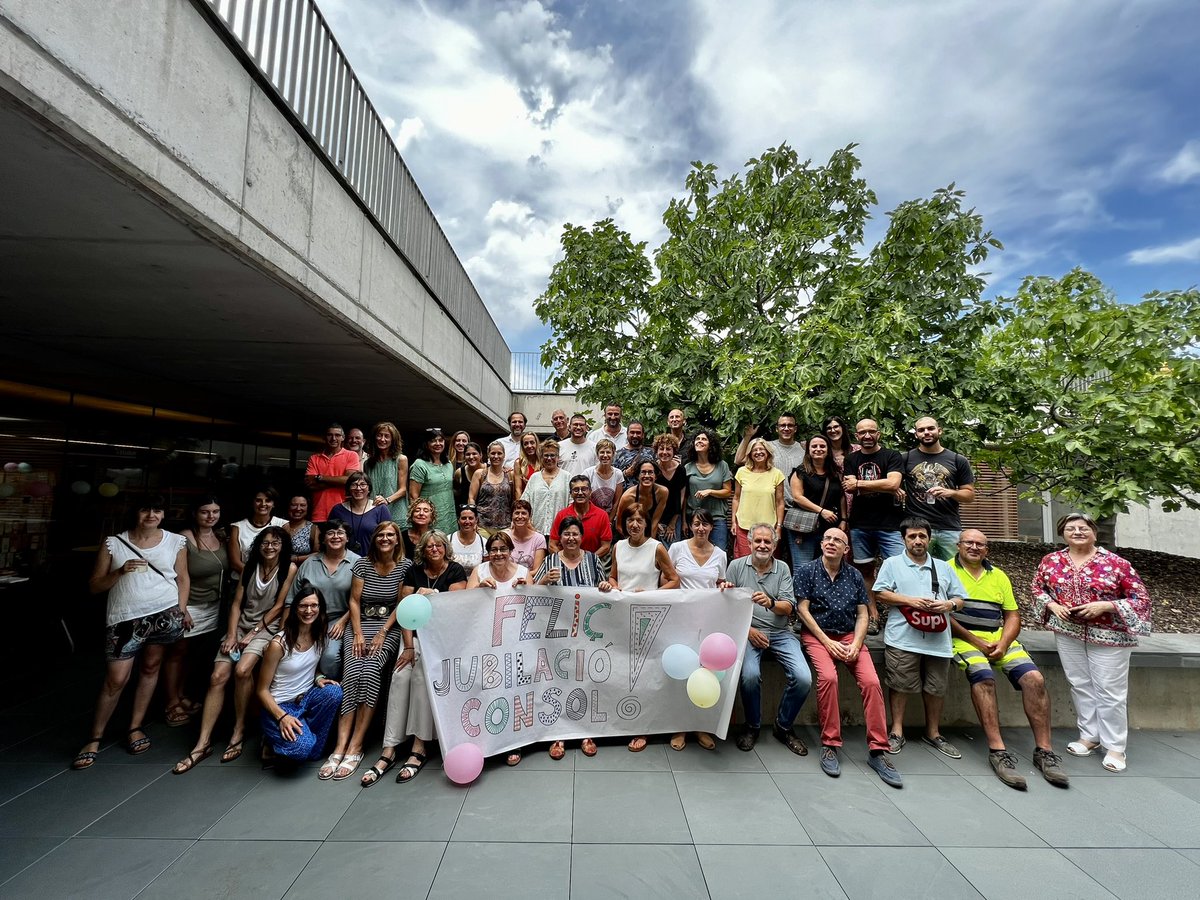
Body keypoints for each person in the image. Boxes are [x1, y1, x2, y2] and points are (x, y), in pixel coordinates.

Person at [73, 497, 189, 770]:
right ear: (135, 513)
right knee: (116, 678)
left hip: (163, 612)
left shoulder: (175, 542)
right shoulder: (113, 543)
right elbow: (95, 585)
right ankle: (95, 737)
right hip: (125, 618)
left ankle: (135, 727)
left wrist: (180, 609)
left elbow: (182, 577)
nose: (152, 514)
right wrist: (119, 571)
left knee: (151, 668)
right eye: (146, 509)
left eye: (157, 510)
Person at [1032, 513, 1151, 773]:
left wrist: (1106, 605)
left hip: (1110, 636)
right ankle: (1090, 736)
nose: (1077, 532)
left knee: (1110, 691)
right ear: (1062, 533)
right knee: (1080, 684)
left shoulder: (1116, 563)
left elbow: (1140, 599)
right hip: (1068, 632)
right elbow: (1037, 589)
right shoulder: (1051, 561)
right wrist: (1052, 605)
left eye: (1083, 528)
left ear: (1094, 533)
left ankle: (1115, 747)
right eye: (1071, 528)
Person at [950, 529, 1069, 789]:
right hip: (963, 640)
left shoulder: (998, 575)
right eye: (968, 542)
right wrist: (977, 641)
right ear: (958, 546)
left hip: (1000, 639)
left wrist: (1003, 643)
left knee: (1034, 678)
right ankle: (997, 751)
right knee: (983, 677)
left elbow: (1012, 615)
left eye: (980, 544)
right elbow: (945, 616)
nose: (974, 547)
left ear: (986, 550)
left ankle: (1045, 752)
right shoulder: (946, 570)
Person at [174, 526, 296, 773]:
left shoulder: (288, 569)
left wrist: (253, 633)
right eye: (265, 543)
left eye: (275, 543)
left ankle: (238, 730)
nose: (270, 547)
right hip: (240, 627)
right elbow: (237, 604)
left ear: (283, 547)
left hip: (266, 629)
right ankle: (203, 742)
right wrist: (231, 634)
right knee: (217, 676)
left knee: (242, 670)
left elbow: (280, 606)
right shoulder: (249, 567)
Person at [794, 528, 902, 787]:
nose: (832, 543)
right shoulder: (806, 571)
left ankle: (878, 750)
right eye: (828, 539)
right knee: (828, 678)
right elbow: (802, 610)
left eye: (838, 541)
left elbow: (863, 614)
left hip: (848, 637)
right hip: (818, 636)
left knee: (872, 683)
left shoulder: (854, 575)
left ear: (846, 549)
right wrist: (826, 641)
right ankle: (830, 744)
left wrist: (856, 642)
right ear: (821, 544)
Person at [360, 530, 467, 786]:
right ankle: (389, 748)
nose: (433, 549)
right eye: (429, 546)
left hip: (442, 642)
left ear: (445, 548)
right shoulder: (413, 572)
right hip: (415, 638)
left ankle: (419, 746)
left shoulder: (456, 572)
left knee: (421, 677)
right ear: (422, 550)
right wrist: (408, 647)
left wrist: (435, 598)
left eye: (438, 545)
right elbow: (404, 611)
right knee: (400, 675)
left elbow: (456, 611)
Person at [323, 521, 411, 781]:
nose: (385, 539)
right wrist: (358, 632)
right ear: (374, 539)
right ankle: (340, 746)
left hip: (389, 627)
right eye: (380, 535)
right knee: (352, 673)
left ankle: (356, 745)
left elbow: (401, 603)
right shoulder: (361, 564)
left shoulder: (405, 566)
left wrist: (383, 632)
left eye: (390, 536)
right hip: (361, 624)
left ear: (397, 540)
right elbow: (354, 600)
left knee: (371, 672)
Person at [874, 517, 965, 760]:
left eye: (922, 536)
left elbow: (960, 599)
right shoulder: (892, 564)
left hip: (938, 638)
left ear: (929, 538)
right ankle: (896, 731)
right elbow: (880, 593)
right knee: (899, 683)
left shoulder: (944, 567)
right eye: (912, 536)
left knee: (936, 687)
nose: (917, 541)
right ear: (903, 539)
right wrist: (909, 600)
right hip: (902, 636)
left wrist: (948, 605)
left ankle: (933, 732)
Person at [727, 524, 812, 756]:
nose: (762, 545)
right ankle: (752, 726)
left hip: (780, 633)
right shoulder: (735, 566)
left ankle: (783, 726)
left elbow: (788, 608)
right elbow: (727, 608)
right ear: (750, 543)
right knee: (750, 676)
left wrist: (771, 603)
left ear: (774, 546)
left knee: (803, 677)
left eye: (767, 542)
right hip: (748, 631)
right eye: (758, 541)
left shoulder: (782, 568)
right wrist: (748, 631)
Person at [536, 517, 612, 759]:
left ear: (582, 537)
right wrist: (544, 581)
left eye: (575, 534)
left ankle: (586, 732)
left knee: (585, 680)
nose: (571, 538)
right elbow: (532, 593)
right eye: (566, 534)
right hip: (556, 635)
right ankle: (558, 733)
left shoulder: (593, 559)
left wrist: (605, 587)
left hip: (586, 634)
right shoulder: (549, 561)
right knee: (559, 681)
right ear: (560, 538)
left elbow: (604, 585)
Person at [606, 504, 680, 753]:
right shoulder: (618, 547)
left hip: (649, 618)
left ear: (646, 524)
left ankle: (644, 726)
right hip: (621, 617)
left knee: (644, 674)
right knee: (622, 671)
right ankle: (622, 722)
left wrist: (652, 594)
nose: (634, 524)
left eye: (639, 520)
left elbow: (674, 580)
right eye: (630, 520)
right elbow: (614, 576)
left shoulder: (656, 548)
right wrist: (614, 586)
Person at [257, 585, 343, 767]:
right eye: (303, 606)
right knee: (303, 749)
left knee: (334, 693)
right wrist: (283, 717)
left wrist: (319, 678)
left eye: (314, 605)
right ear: (295, 608)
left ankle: (300, 737)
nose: (309, 611)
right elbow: (261, 691)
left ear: (320, 608)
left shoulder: (319, 634)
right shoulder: (278, 644)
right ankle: (274, 739)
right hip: (280, 707)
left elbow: (308, 666)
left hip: (306, 698)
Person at [161, 496, 226, 728]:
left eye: (215, 511)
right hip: (191, 605)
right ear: (195, 514)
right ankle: (171, 702)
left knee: (193, 654)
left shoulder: (221, 536)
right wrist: (182, 609)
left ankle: (181, 694)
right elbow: (179, 575)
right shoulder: (184, 538)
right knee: (177, 653)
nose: (211, 516)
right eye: (205, 512)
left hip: (213, 605)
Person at [666, 509, 726, 751]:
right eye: (696, 524)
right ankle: (679, 727)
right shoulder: (677, 549)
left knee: (705, 674)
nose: (701, 528)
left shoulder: (721, 555)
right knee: (681, 674)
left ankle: (700, 726)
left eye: (706, 524)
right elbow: (666, 579)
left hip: (708, 623)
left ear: (712, 528)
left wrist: (725, 586)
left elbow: (721, 583)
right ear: (690, 526)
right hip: (679, 621)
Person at [843, 419, 906, 634]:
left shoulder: (892, 455)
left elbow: (893, 483)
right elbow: (849, 489)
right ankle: (873, 615)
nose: (867, 436)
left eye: (871, 432)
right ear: (856, 435)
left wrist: (862, 484)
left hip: (890, 524)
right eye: (862, 433)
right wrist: (884, 485)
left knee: (901, 568)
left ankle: (903, 616)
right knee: (865, 571)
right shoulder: (852, 459)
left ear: (878, 433)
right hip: (860, 524)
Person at [287, 519, 360, 679]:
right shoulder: (309, 562)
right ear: (323, 538)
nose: (335, 536)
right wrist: (283, 631)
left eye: (340, 533)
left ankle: (330, 693)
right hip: (307, 618)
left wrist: (342, 621)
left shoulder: (358, 563)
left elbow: (360, 600)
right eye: (330, 533)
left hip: (338, 620)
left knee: (329, 658)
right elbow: (291, 599)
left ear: (347, 538)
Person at [902, 416, 976, 560]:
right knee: (917, 569)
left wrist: (950, 492)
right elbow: (894, 483)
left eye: (930, 428)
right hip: (917, 527)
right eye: (921, 430)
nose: (926, 432)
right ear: (916, 434)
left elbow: (969, 495)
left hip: (948, 526)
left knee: (954, 570)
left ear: (939, 431)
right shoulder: (906, 458)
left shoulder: (957, 460)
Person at [786, 434, 846, 573]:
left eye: (822, 446)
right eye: (814, 446)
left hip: (829, 526)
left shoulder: (836, 473)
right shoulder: (800, 472)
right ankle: (801, 596)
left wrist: (844, 519)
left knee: (826, 568)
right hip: (803, 527)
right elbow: (797, 497)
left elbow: (841, 496)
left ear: (828, 449)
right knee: (803, 568)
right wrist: (821, 511)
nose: (818, 449)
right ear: (808, 450)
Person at [732, 437, 785, 559]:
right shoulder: (742, 472)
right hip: (744, 526)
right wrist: (734, 522)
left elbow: (780, 503)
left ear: (768, 453)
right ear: (750, 453)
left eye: (762, 449)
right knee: (744, 561)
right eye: (754, 450)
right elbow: (736, 498)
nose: (758, 452)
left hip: (768, 527)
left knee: (766, 561)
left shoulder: (777, 474)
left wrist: (779, 527)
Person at [734, 413, 806, 501]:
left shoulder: (804, 450)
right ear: (777, 429)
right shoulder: (767, 447)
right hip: (771, 504)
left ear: (795, 429)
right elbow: (739, 460)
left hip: (795, 505)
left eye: (790, 425)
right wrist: (747, 436)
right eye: (782, 425)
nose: (786, 428)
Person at [683, 427, 733, 552]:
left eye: (704, 439)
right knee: (696, 554)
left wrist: (710, 491)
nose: (699, 441)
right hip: (695, 518)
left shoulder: (722, 465)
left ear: (711, 444)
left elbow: (727, 491)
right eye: (697, 439)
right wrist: (684, 521)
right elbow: (683, 496)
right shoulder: (688, 467)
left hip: (716, 518)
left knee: (719, 553)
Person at [305, 423, 361, 522]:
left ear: (343, 438)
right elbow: (310, 485)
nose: (333, 438)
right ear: (324, 437)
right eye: (330, 435)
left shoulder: (351, 455)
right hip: (319, 513)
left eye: (337, 435)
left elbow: (348, 480)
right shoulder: (314, 458)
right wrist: (339, 481)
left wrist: (320, 477)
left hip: (344, 512)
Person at [329, 471, 393, 556]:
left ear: (369, 488)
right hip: (343, 561)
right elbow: (329, 536)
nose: (358, 488)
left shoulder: (380, 509)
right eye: (354, 484)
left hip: (374, 560)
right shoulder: (338, 510)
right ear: (348, 488)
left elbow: (390, 537)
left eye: (363, 484)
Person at [228, 487, 286, 576]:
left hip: (272, 580)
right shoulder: (237, 527)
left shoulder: (283, 525)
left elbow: (284, 557)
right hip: (241, 579)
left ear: (273, 504)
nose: (263, 504)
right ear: (252, 502)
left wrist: (266, 578)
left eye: (268, 500)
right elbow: (235, 563)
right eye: (258, 500)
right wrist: (257, 578)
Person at [550, 476, 613, 556]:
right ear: (571, 493)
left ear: (590, 491)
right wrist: (565, 561)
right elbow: (552, 545)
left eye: (584, 489)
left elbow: (606, 546)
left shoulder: (602, 515)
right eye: (576, 490)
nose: (580, 493)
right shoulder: (562, 515)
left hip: (592, 563)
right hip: (565, 565)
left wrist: (587, 561)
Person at [408, 427, 455, 531]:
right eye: (433, 441)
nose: (438, 443)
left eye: (440, 440)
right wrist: (419, 520)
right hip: (429, 517)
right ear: (426, 444)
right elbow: (413, 496)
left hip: (449, 517)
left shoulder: (449, 464)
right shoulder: (419, 465)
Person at [521, 439, 571, 533]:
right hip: (536, 530)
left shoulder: (567, 477)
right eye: (546, 455)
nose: (549, 458)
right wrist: (528, 524)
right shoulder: (534, 478)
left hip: (560, 531)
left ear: (558, 457)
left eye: (552, 455)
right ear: (541, 457)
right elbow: (524, 503)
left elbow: (571, 504)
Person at [364, 420, 409, 528]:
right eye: (379, 435)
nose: (382, 439)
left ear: (393, 439)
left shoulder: (401, 459)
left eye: (386, 436)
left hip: (396, 512)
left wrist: (386, 500)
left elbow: (403, 490)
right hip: (373, 511)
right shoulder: (368, 463)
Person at [469, 441, 515, 536]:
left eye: (499, 453)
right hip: (482, 525)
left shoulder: (510, 474)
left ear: (504, 455)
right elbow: (471, 498)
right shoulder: (480, 474)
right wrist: (472, 519)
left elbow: (514, 499)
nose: (496, 456)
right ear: (488, 455)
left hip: (505, 526)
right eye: (493, 453)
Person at [614, 460, 668, 538]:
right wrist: (634, 542)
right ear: (637, 476)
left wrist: (650, 544)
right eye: (643, 472)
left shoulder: (662, 492)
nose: (646, 476)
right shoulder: (628, 497)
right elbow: (619, 525)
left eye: (650, 472)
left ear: (655, 476)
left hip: (647, 532)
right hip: (627, 534)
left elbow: (654, 522)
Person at [653, 434, 688, 544]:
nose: (664, 452)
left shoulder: (681, 470)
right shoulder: (653, 469)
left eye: (668, 449)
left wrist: (673, 523)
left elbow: (682, 497)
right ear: (656, 451)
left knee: (673, 550)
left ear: (674, 451)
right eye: (661, 449)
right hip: (655, 516)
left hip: (674, 516)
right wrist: (655, 522)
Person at [582, 438, 623, 516]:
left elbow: (616, 502)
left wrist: (609, 522)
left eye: (608, 452)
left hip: (610, 517)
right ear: (597, 455)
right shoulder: (587, 473)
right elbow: (585, 500)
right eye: (602, 452)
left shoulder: (618, 474)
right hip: (591, 516)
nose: (605, 455)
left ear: (613, 454)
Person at [506, 499, 547, 573]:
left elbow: (536, 570)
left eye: (524, 513)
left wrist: (521, 579)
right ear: (511, 516)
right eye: (517, 513)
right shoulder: (505, 537)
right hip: (507, 579)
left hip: (530, 581)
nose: (520, 516)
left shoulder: (539, 539)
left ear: (529, 516)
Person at [614, 421, 655, 490]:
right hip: (626, 496)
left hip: (648, 495)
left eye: (638, 433)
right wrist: (625, 473)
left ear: (643, 435)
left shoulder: (652, 452)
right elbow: (612, 477)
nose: (635, 435)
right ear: (627, 434)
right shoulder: (618, 454)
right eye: (632, 432)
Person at [281, 494, 318, 564]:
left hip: (304, 569)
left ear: (308, 508)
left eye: (302, 505)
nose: (298, 508)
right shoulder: (280, 524)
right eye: (294, 505)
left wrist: (296, 559)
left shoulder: (313, 529)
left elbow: (318, 553)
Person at [450, 504, 487, 572]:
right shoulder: (449, 540)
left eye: (470, 518)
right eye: (464, 518)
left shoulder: (484, 543)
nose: (467, 522)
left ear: (476, 520)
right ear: (458, 520)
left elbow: (486, 569)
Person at [453, 441, 485, 510]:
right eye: (468, 454)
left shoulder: (489, 470)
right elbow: (456, 493)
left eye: (474, 454)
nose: (471, 457)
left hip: (485, 513)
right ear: (464, 456)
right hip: (466, 515)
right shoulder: (459, 472)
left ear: (481, 455)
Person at [511, 431, 542, 498]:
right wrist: (519, 507)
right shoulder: (519, 463)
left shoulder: (543, 461)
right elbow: (518, 489)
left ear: (537, 444)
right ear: (522, 446)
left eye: (532, 442)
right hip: (526, 501)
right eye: (526, 443)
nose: (529, 446)